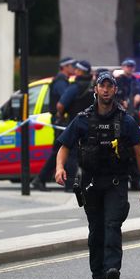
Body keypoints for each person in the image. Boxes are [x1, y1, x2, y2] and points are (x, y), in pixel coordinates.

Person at [55, 70, 140, 279]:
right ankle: (97, 275)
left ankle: (112, 270)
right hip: (90, 183)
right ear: (96, 89)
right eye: (102, 86)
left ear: (115, 90)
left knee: (112, 225)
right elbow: (64, 147)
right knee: (96, 230)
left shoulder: (125, 120)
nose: (106, 89)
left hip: (116, 182)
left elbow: (139, 153)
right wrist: (59, 167)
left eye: (110, 86)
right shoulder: (82, 119)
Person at [31, 56, 77, 191]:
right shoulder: (61, 82)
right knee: (63, 150)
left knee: (58, 151)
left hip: (61, 120)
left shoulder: (63, 80)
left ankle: (40, 179)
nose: (73, 68)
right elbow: (64, 100)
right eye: (70, 66)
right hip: (60, 121)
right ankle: (43, 180)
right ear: (64, 67)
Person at [53, 60, 94, 191]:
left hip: (76, 124)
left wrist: (61, 114)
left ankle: (70, 184)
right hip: (93, 125)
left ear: (80, 71)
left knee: (72, 154)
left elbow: (60, 105)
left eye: (76, 69)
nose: (74, 71)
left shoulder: (75, 87)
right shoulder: (94, 86)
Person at [115, 58, 140, 191]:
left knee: (136, 150)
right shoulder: (117, 81)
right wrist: (121, 102)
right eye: (127, 66)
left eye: (132, 66)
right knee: (120, 150)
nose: (130, 68)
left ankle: (135, 180)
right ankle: (120, 178)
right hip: (119, 119)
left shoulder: (135, 81)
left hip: (133, 119)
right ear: (122, 66)